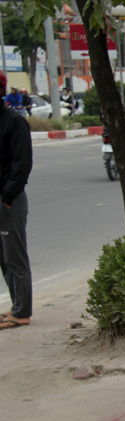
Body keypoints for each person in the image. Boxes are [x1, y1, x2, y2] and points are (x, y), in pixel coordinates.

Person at [0, 70, 34, 331]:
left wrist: (8, 197)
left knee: (15, 256)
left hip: (9, 200)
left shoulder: (15, 122)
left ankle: (22, 312)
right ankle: (16, 305)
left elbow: (22, 165)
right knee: (4, 257)